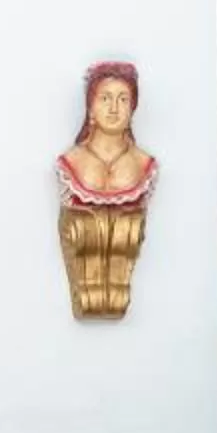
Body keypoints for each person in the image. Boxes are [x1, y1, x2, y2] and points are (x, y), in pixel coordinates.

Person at [57, 61, 157, 318]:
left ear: (133, 108)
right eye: (105, 98)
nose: (114, 108)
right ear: (90, 107)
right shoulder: (71, 164)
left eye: (123, 99)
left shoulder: (144, 164)